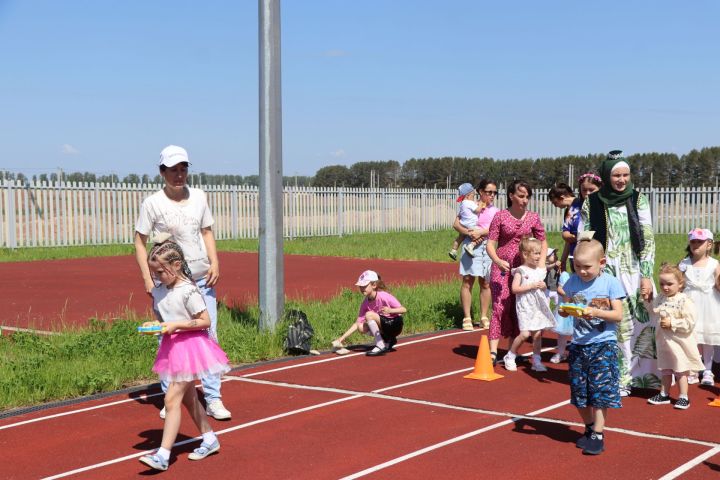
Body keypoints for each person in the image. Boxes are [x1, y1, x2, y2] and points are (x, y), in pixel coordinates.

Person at [134, 145, 230, 420]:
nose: (179, 174)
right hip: (168, 285)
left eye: (183, 168)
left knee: (208, 336)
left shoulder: (199, 197)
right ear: (162, 172)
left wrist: (215, 262)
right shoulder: (152, 203)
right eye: (173, 170)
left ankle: (213, 398)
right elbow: (139, 242)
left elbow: (207, 231)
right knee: (170, 337)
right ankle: (170, 397)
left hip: (201, 278)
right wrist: (147, 279)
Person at [139, 240, 230, 471]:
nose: (157, 276)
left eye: (160, 271)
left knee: (171, 400)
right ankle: (209, 439)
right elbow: (165, 318)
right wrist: (157, 325)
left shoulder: (189, 290)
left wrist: (176, 325)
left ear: (177, 265)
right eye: (153, 272)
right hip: (172, 348)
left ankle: (163, 455)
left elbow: (205, 321)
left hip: (190, 349)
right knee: (189, 400)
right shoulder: (159, 291)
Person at [579, 150, 656, 397]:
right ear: (606, 176)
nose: (622, 180)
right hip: (607, 271)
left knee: (642, 323)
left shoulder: (637, 198)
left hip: (634, 269)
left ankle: (644, 378)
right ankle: (620, 377)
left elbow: (647, 237)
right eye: (616, 175)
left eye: (626, 175)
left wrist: (646, 274)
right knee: (616, 325)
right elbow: (584, 237)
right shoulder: (593, 202)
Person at [559, 238, 625, 456]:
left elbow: (618, 314)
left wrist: (595, 312)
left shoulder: (610, 283)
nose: (582, 271)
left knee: (600, 392)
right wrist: (565, 310)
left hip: (602, 344)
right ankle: (588, 427)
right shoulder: (573, 282)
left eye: (587, 267)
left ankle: (598, 433)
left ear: (602, 262)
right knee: (579, 392)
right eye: (577, 266)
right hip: (578, 345)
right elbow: (563, 306)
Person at [486, 180, 547, 364]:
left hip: (524, 269)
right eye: (521, 196)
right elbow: (490, 243)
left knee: (517, 307)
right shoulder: (500, 216)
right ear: (511, 196)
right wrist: (497, 260)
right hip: (502, 268)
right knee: (499, 306)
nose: (525, 200)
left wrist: (541, 265)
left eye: (527, 196)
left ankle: (511, 350)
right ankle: (493, 352)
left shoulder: (533, 217)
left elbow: (543, 241)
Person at [646, 263, 704, 409]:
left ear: (680, 284)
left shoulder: (684, 301)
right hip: (664, 342)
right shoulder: (660, 298)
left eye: (670, 284)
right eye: (662, 284)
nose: (665, 287)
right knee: (665, 369)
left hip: (679, 343)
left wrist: (672, 322)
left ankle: (683, 396)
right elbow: (653, 311)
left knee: (680, 369)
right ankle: (664, 394)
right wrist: (647, 300)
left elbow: (690, 322)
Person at [503, 237, 555, 372]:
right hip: (525, 307)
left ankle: (536, 360)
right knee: (525, 334)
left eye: (539, 253)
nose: (539, 256)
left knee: (537, 335)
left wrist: (544, 286)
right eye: (535, 253)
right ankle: (510, 355)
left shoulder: (540, 270)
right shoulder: (521, 271)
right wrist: (531, 286)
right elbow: (514, 289)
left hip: (537, 307)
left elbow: (543, 287)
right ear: (525, 254)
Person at [453, 179, 500, 330]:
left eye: (494, 193)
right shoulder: (469, 205)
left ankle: (484, 316)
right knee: (467, 280)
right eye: (489, 192)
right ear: (480, 192)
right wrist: (469, 233)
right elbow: (456, 224)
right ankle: (467, 317)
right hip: (470, 246)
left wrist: (480, 232)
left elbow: (495, 228)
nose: (492, 195)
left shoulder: (495, 211)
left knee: (485, 282)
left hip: (487, 247)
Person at [679, 228, 720, 386]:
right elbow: (679, 282)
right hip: (690, 304)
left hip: (709, 305)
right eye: (693, 241)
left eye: (700, 242)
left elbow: (717, 284)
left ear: (709, 245)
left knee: (708, 338)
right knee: (691, 337)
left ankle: (708, 371)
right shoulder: (684, 263)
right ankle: (693, 369)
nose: (696, 244)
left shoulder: (714, 264)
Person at [339, 270, 406, 357]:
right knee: (361, 327)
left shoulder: (384, 296)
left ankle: (380, 345)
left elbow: (403, 309)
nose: (362, 289)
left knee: (369, 315)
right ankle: (388, 340)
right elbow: (357, 323)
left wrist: (390, 311)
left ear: (374, 285)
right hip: (384, 325)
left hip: (395, 324)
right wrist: (341, 338)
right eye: (360, 286)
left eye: (364, 286)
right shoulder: (365, 303)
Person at [448, 183, 483, 260]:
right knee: (481, 235)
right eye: (473, 195)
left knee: (460, 237)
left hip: (463, 223)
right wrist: (480, 204)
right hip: (471, 224)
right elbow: (477, 210)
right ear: (467, 196)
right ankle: (471, 246)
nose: (473, 197)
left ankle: (453, 250)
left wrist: (475, 203)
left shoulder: (463, 203)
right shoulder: (469, 202)